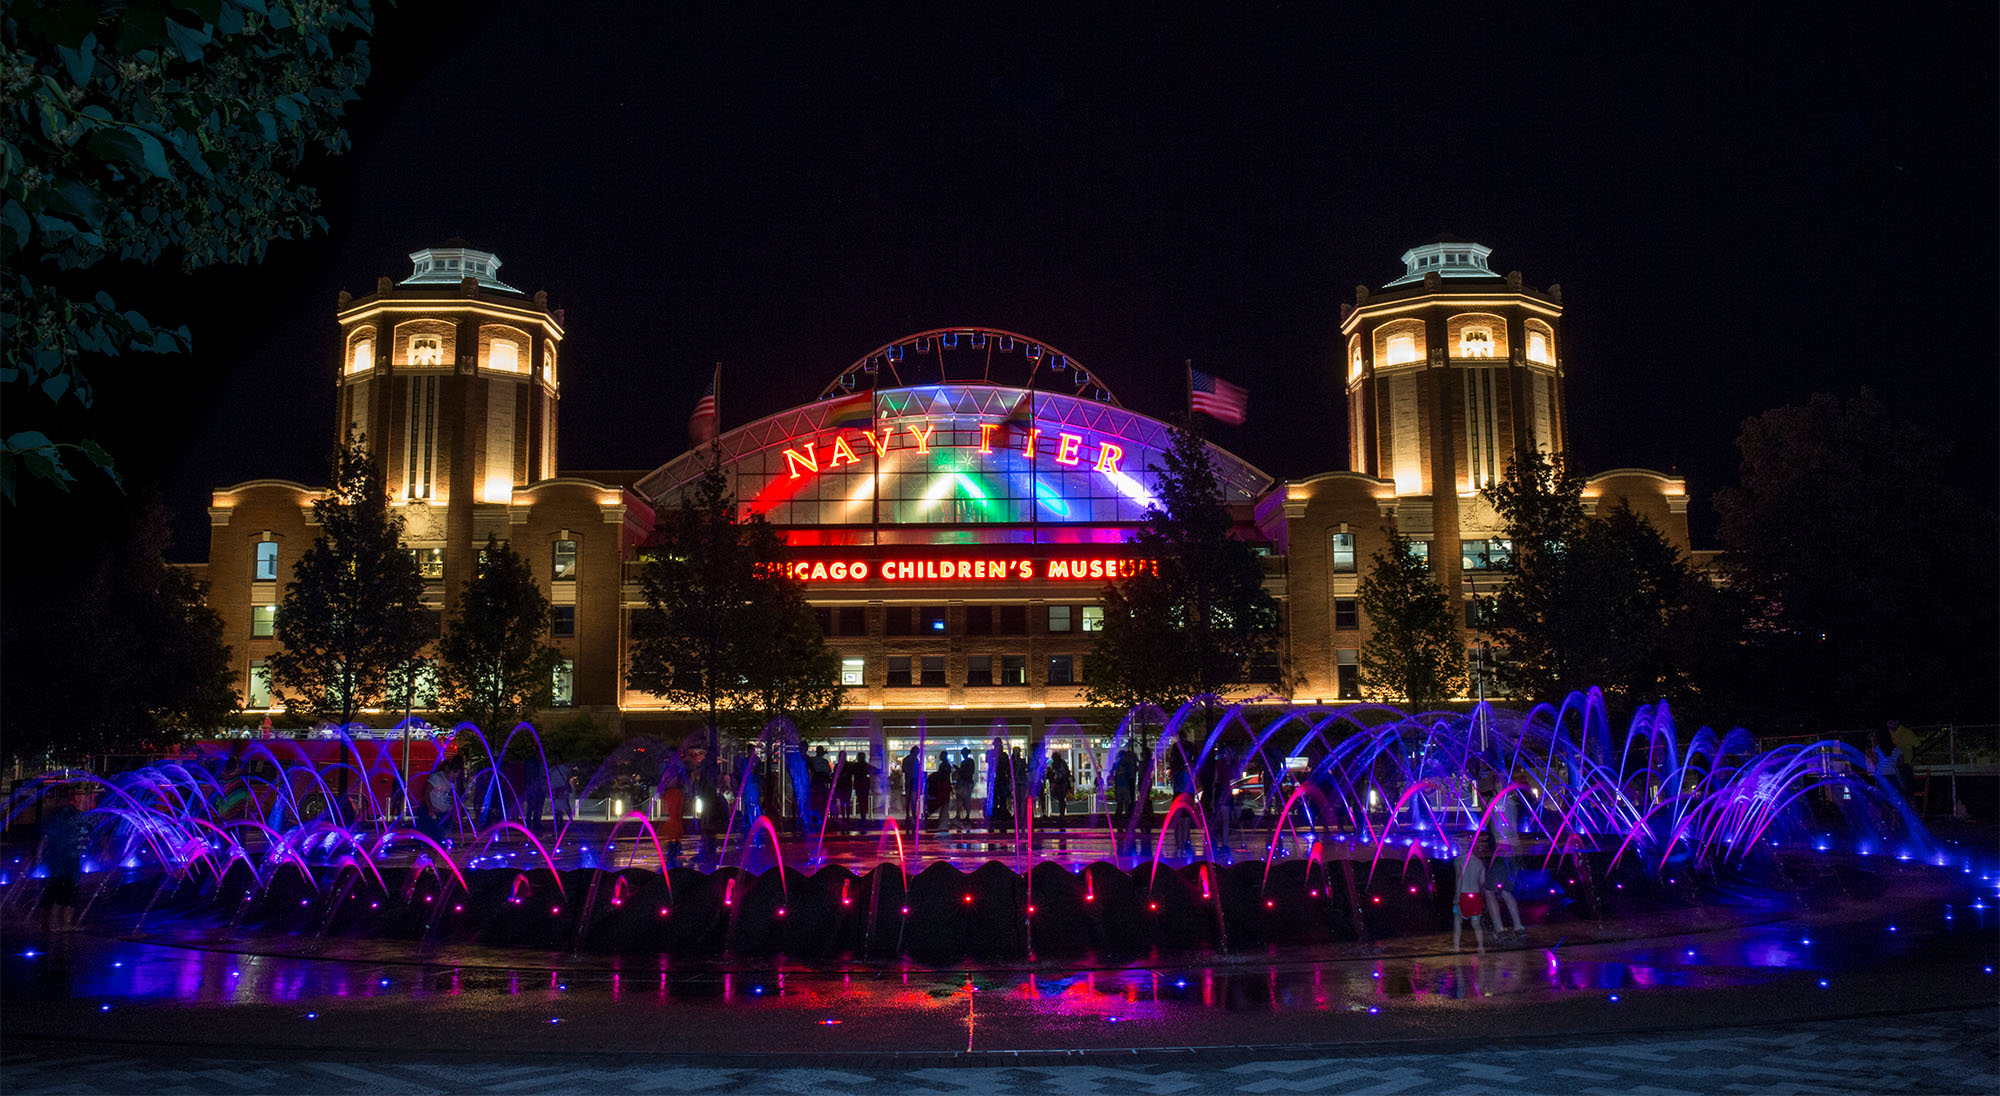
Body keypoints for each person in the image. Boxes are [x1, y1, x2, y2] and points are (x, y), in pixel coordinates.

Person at [36, 788, 85, 934]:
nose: (88, 799)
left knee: (70, 892)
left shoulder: (81, 815)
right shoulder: (63, 815)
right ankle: (53, 924)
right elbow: (47, 834)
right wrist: (39, 853)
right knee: (59, 891)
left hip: (73, 860)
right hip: (62, 860)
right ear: (75, 797)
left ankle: (65, 924)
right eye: (83, 795)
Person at [1453, 834, 1491, 954]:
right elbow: (1482, 882)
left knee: (1457, 921)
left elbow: (1459, 878)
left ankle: (1456, 946)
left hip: (1463, 894)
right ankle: (1481, 946)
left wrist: (1457, 896)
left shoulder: (1458, 861)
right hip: (1475, 896)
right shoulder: (1479, 863)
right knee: (1476, 924)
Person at [1047, 752, 1073, 821]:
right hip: (1059, 782)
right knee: (1060, 799)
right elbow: (1053, 773)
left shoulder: (1061, 763)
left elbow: (1064, 772)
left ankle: (1062, 813)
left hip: (1062, 782)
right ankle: (1062, 813)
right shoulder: (1056, 763)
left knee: (1061, 798)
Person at [953, 751, 975, 823]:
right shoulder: (967, 762)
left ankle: (965, 815)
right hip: (965, 783)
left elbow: (967, 772)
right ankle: (962, 815)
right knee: (964, 800)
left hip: (966, 783)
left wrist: (959, 769)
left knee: (965, 799)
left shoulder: (968, 762)